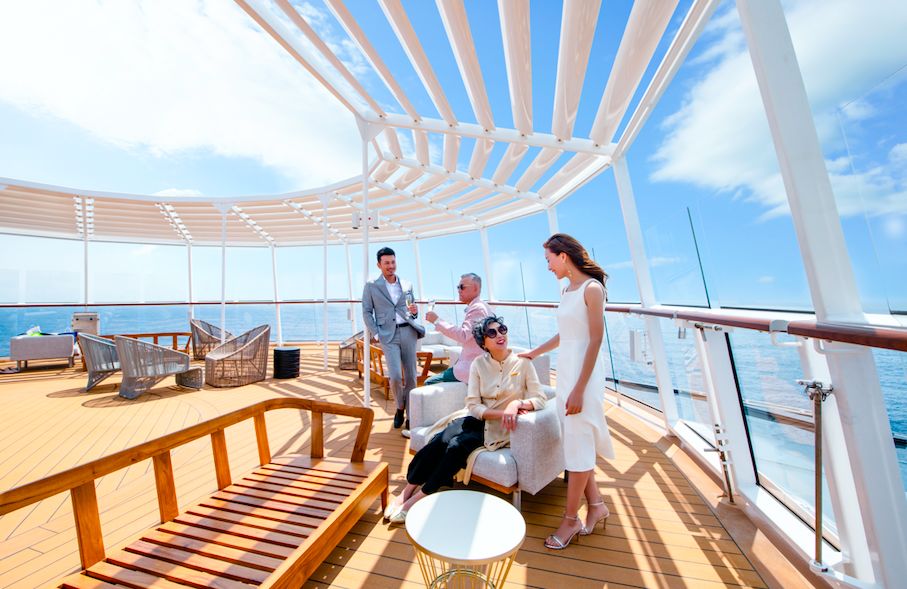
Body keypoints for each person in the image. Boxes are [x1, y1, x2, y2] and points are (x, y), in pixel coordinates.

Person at [384, 315, 546, 523]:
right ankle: (406, 491)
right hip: (476, 418)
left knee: (456, 447)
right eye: (492, 333)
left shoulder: (523, 364)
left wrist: (517, 404)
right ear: (483, 343)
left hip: (498, 430)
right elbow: (473, 405)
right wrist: (501, 412)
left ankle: (418, 498)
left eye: (502, 329)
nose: (499, 335)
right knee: (439, 441)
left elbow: (540, 398)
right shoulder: (478, 364)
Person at [520, 233, 614, 550]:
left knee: (578, 444)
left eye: (548, 260)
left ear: (563, 256)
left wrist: (579, 389)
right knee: (575, 442)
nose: (548, 267)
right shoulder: (567, 290)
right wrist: (533, 353)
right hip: (567, 374)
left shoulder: (592, 289)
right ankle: (596, 505)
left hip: (583, 378)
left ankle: (571, 519)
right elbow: (565, 334)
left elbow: (595, 340)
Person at [362, 247, 425, 437]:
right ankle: (399, 407)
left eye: (393, 262)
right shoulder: (371, 286)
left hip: (408, 332)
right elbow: (366, 311)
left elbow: (412, 309)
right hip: (387, 335)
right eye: (387, 263)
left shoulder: (406, 284)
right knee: (396, 376)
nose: (391, 266)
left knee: (412, 376)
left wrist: (414, 311)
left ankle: (410, 416)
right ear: (379, 265)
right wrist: (376, 333)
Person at [423, 272, 493, 385]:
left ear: (475, 288)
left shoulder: (477, 309)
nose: (459, 290)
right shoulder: (482, 306)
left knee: (429, 383)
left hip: (472, 367)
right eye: (458, 287)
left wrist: (437, 321)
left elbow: (463, 335)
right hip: (471, 362)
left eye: (462, 287)